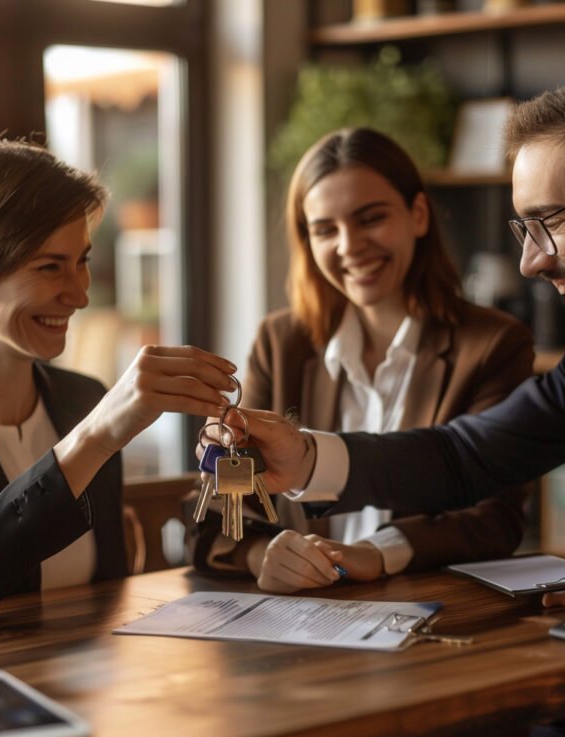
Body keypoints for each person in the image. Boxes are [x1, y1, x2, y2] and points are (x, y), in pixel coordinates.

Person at [221, 81, 565, 737]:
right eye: (524, 229)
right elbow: (465, 456)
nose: (531, 261)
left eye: (550, 221)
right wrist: (304, 457)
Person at [0, 139, 236, 629]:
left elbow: (107, 595)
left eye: (82, 261)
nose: (79, 294)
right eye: (49, 266)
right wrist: (94, 436)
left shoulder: (83, 398)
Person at [193, 126, 534, 598]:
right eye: (326, 230)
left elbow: (494, 519)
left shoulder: (494, 344)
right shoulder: (281, 342)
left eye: (370, 218)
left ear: (417, 215)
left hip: (428, 618)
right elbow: (216, 513)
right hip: (304, 621)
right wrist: (264, 559)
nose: (350, 245)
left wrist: (379, 553)